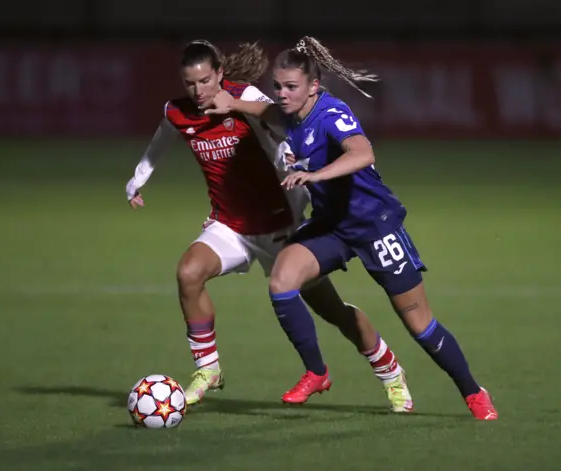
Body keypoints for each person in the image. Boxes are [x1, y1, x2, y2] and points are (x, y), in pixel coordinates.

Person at [203, 37, 498, 420]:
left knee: (419, 324)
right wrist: (233, 102)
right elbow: (268, 112)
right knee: (282, 280)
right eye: (278, 85)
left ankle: (473, 393)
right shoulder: (288, 113)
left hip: (375, 225)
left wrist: (314, 175)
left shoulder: (332, 113)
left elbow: (363, 153)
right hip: (332, 226)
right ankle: (317, 372)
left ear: (314, 87)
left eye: (291, 87)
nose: (282, 93)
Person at [125, 39, 413, 412]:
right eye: (190, 83)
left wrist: (294, 164)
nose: (198, 90)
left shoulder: (243, 97)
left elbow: (280, 126)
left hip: (280, 227)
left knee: (331, 309)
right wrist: (138, 179)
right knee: (188, 272)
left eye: (205, 80)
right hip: (230, 225)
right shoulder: (179, 112)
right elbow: (161, 140)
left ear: (220, 74)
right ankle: (208, 369)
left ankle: (389, 372)